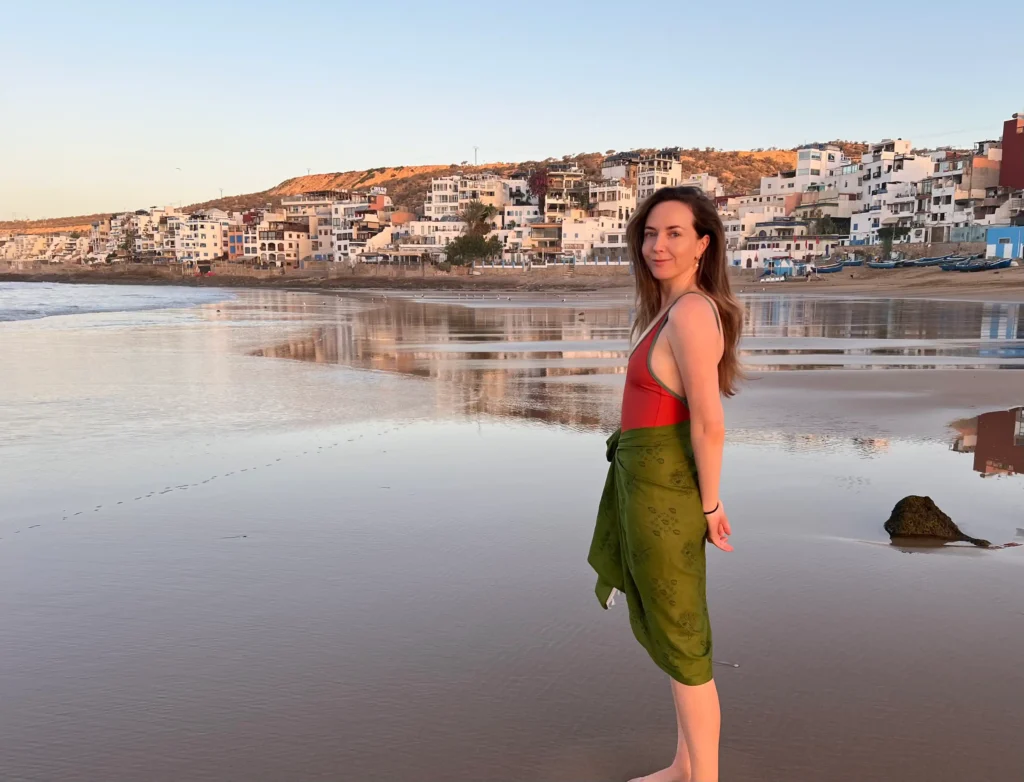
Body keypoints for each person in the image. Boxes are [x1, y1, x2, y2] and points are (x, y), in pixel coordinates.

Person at [588, 186, 743, 782]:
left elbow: (708, 421)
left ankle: (703, 779)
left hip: (667, 495)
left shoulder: (692, 312)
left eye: (675, 233)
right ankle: (684, 765)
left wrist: (710, 504)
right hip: (644, 484)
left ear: (703, 244)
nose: (659, 245)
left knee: (683, 639)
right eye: (651, 233)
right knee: (673, 628)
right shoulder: (669, 308)